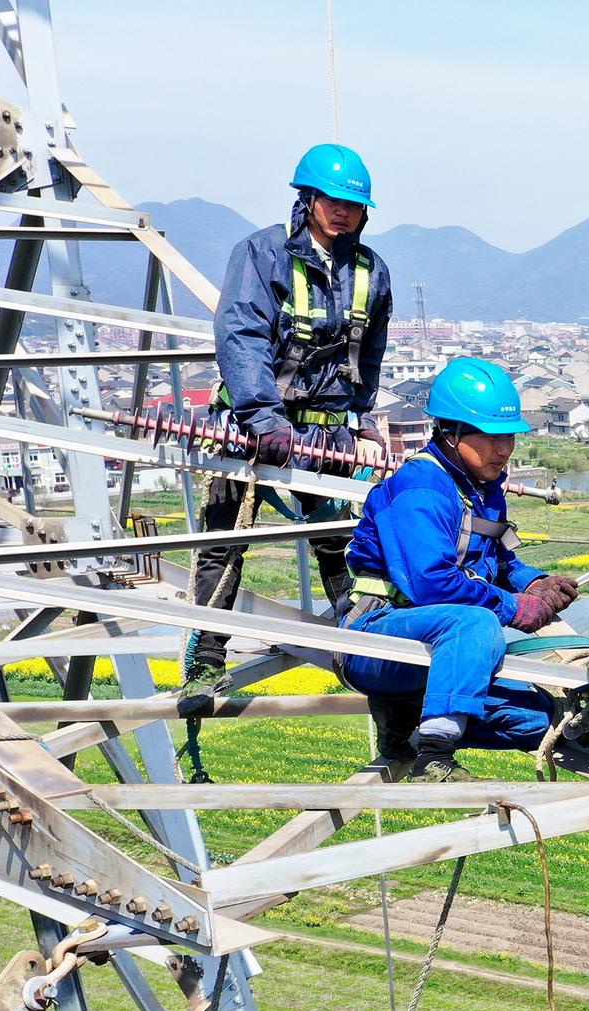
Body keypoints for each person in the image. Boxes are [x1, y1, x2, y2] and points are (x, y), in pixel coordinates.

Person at [180, 142, 392, 714]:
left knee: (339, 543)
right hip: (255, 428)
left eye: (352, 203)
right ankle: (205, 662)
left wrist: (364, 418)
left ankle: (365, 651)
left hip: (328, 431)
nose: (341, 211)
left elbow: (365, 352)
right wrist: (263, 414)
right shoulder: (263, 254)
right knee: (223, 545)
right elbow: (242, 334)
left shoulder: (370, 271)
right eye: (331, 199)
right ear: (307, 199)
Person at [335, 358, 580, 782]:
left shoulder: (483, 489)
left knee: (535, 719)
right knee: (475, 624)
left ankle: (409, 717)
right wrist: (514, 607)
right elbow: (432, 584)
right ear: (450, 433)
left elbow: (501, 562)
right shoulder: (421, 489)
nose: (504, 450)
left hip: (434, 646)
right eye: (491, 437)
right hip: (378, 635)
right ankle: (435, 754)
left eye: (510, 438)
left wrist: (534, 583)